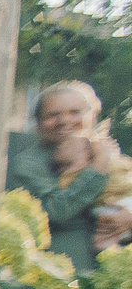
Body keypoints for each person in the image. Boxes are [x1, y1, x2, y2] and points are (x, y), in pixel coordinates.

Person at [7, 79, 132, 274]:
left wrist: (129, 216)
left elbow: (124, 190)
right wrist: (98, 169)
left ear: (92, 116)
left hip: (109, 270)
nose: (64, 121)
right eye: (53, 115)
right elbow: (56, 211)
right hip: (62, 270)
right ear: (38, 123)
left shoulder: (102, 151)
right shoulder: (28, 164)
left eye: (75, 112)